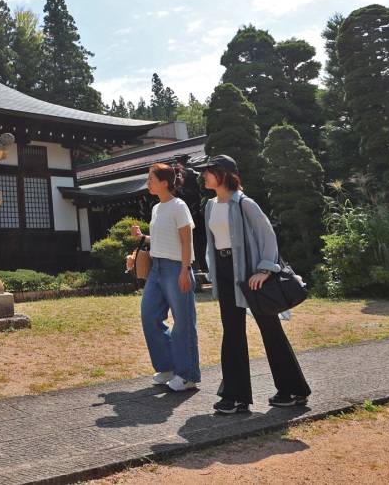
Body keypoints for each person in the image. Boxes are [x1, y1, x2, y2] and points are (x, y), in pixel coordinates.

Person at [193, 154, 311, 414]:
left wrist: (265, 270)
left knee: (270, 329)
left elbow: (268, 235)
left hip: (252, 274)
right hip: (226, 274)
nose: (204, 175)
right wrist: (213, 273)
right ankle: (236, 397)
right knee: (232, 332)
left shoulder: (245, 203)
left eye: (209, 171)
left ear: (224, 173)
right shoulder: (210, 206)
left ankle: (293, 391)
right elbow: (214, 243)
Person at [127, 162, 200, 392]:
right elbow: (161, 238)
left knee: (183, 322)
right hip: (157, 268)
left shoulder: (179, 206)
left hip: (176, 267)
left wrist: (185, 270)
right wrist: (142, 238)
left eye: (150, 178)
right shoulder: (157, 208)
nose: (147, 182)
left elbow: (186, 241)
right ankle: (167, 367)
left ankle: (187, 375)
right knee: (149, 316)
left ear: (164, 182)